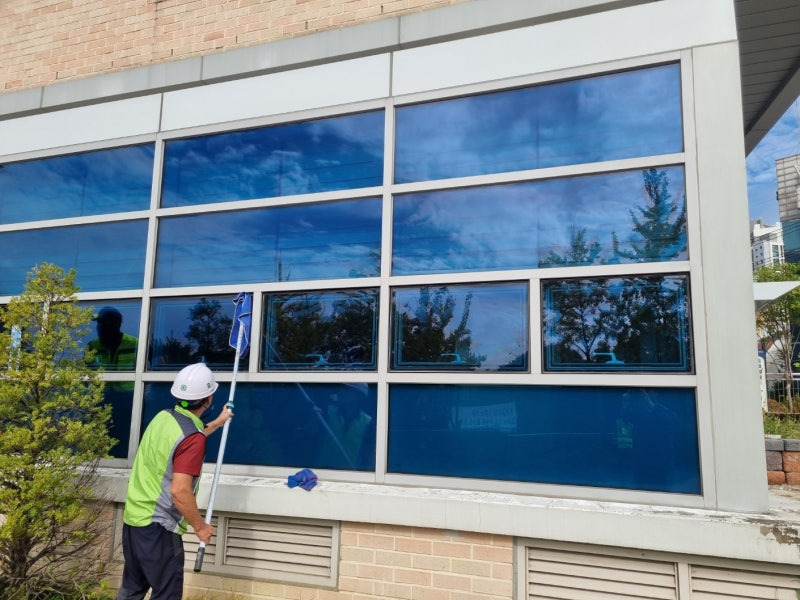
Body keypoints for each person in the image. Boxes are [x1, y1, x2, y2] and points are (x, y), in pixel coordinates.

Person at [117, 363, 233, 600]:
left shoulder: (163, 418)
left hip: (134, 523)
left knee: (132, 591)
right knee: (167, 595)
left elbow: (186, 439)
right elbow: (180, 491)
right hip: (158, 528)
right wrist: (200, 527)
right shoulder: (192, 439)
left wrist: (218, 423)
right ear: (208, 399)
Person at [87, 306, 138, 370]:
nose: (100, 327)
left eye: (105, 324)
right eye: (99, 323)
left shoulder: (135, 344)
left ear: (116, 325)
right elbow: (85, 371)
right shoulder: (92, 346)